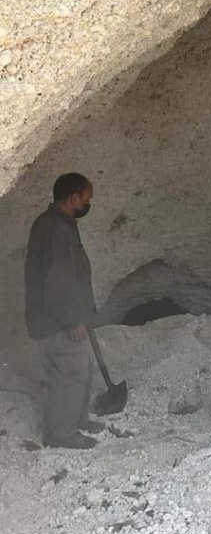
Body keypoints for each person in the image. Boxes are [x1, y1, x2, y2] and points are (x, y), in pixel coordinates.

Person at [24, 172, 105, 449]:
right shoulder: (56, 229)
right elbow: (57, 283)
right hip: (56, 322)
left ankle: (76, 421)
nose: (87, 204)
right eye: (86, 199)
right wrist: (72, 321)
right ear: (73, 199)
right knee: (68, 373)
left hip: (63, 316)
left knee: (81, 368)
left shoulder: (60, 224)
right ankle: (60, 434)